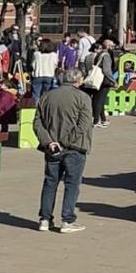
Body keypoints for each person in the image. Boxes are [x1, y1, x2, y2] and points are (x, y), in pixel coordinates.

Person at [34, 68, 92, 233]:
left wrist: (49, 141)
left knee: (50, 183)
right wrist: (65, 142)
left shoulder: (47, 96)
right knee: (72, 184)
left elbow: (37, 123)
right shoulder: (82, 97)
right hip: (75, 147)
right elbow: (84, 124)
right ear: (78, 80)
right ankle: (67, 220)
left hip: (52, 148)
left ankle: (45, 219)